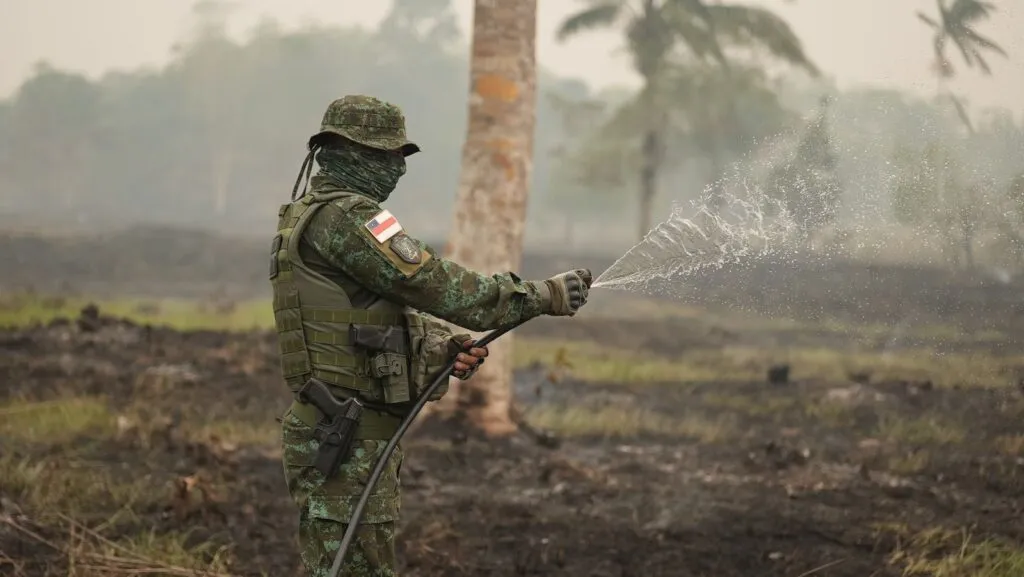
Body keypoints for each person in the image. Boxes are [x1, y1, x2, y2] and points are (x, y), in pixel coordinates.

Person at [269, 94, 592, 577]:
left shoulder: (312, 213)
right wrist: (537, 295)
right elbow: (428, 283)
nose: (397, 168)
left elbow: (370, 311)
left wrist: (442, 346)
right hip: (346, 432)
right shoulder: (349, 218)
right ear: (350, 152)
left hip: (344, 426)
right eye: (386, 156)